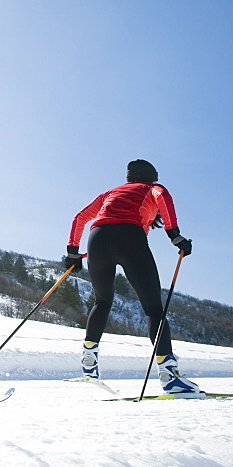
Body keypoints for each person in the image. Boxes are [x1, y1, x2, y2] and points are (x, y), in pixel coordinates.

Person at [64, 159, 201, 395]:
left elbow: (79, 217)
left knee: (102, 301)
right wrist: (175, 236)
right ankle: (169, 376)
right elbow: (164, 200)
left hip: (97, 238)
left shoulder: (110, 193)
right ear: (151, 177)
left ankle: (89, 365)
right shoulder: (152, 188)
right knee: (152, 309)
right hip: (130, 238)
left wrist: (73, 253)